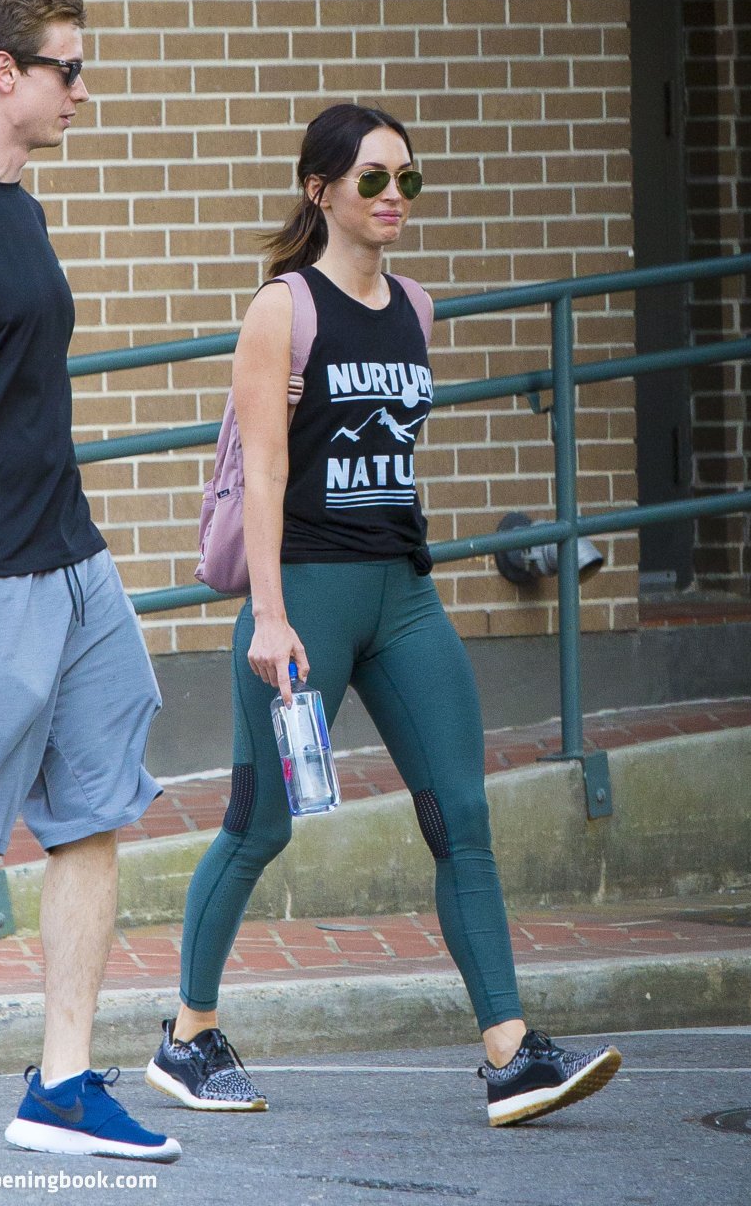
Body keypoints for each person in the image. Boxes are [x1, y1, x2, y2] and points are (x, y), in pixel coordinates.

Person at [145, 101, 622, 1127]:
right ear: (320, 191)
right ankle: (187, 1034)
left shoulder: (416, 306)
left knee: (462, 815)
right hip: (304, 595)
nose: (394, 195)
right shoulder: (283, 309)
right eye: (372, 178)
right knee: (257, 825)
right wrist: (269, 616)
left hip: (402, 592)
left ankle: (509, 1052)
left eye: (407, 177)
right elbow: (265, 472)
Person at [0, 0, 180, 1163]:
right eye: (68, 70)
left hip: (73, 555)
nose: (83, 90)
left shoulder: (20, 208)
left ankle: (65, 1083)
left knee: (92, 808)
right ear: (5, 72)